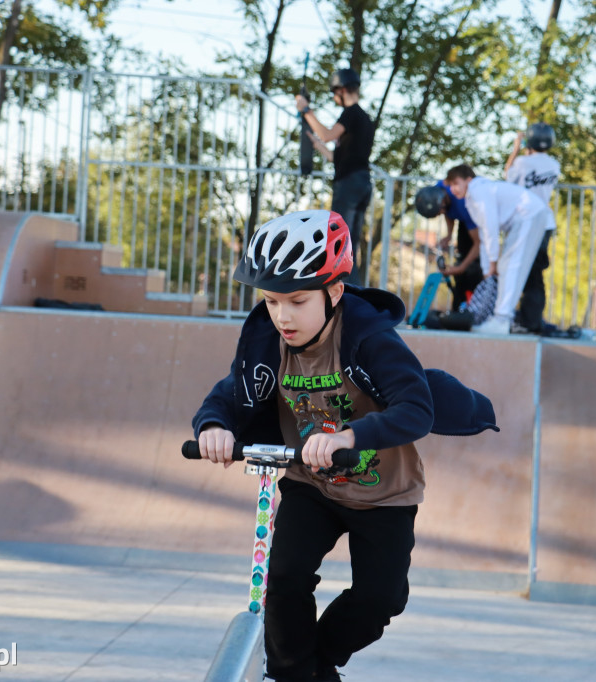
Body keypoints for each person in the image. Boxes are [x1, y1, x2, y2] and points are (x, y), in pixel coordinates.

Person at [192, 209, 495, 681]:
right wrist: (214, 426)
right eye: (272, 301)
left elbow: (416, 409)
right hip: (308, 484)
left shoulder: (370, 339)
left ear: (333, 291)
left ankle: (318, 663)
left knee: (381, 598)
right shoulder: (266, 340)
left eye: (296, 300)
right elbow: (232, 391)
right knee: (284, 579)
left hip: (384, 491)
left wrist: (350, 436)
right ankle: (295, 674)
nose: (282, 316)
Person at [443, 164, 552, 335]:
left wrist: (493, 261)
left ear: (468, 180)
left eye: (456, 183)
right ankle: (499, 317)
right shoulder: (471, 199)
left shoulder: (478, 191)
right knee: (506, 267)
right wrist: (488, 269)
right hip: (524, 217)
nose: (453, 189)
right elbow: (484, 234)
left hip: (528, 214)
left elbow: (490, 227)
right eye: (450, 185)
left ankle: (502, 320)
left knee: (511, 266)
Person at [295, 69, 375, 287]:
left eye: (334, 92)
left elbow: (327, 134)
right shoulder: (365, 119)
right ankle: (353, 290)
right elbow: (337, 157)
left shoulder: (352, 113)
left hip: (349, 184)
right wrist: (316, 144)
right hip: (362, 183)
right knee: (350, 243)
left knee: (339, 241)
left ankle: (343, 293)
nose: (333, 97)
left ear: (342, 90)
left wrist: (306, 110)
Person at [504, 123, 560, 332]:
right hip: (546, 222)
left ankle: (529, 322)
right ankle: (532, 319)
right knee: (536, 273)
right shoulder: (554, 165)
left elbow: (507, 176)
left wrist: (517, 147)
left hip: (527, 221)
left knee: (526, 272)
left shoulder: (522, 163)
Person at [414, 182, 484, 309]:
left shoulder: (463, 204)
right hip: (463, 223)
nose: (442, 213)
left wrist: (461, 268)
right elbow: (448, 212)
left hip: (479, 224)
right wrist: (449, 235)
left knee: (474, 269)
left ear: (443, 200)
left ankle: (474, 309)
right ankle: (458, 308)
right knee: (462, 265)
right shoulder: (438, 191)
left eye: (441, 210)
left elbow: (478, 243)